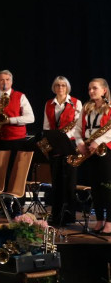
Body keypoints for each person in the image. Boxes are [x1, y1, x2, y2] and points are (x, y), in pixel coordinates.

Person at [0, 70, 35, 216]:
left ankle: (18, 207)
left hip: (18, 140)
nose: (4, 82)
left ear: (11, 81)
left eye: (7, 79)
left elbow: (30, 118)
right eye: (1, 80)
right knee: (2, 175)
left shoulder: (20, 96)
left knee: (18, 174)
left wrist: (9, 120)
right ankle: (4, 206)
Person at [72, 78, 111, 236]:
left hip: (106, 150)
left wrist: (98, 141)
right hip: (90, 150)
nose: (91, 91)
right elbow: (77, 128)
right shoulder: (86, 107)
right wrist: (80, 142)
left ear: (104, 91)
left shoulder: (110, 108)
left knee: (107, 187)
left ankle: (109, 222)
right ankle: (99, 220)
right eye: (89, 89)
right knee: (95, 188)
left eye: (95, 88)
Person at [42, 76, 81, 227]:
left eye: (63, 85)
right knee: (56, 181)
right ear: (54, 87)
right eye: (57, 85)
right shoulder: (48, 104)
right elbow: (46, 126)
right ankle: (57, 214)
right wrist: (51, 139)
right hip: (55, 144)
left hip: (70, 144)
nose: (60, 88)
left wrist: (64, 136)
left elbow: (78, 125)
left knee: (69, 181)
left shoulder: (76, 102)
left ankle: (69, 215)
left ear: (67, 87)